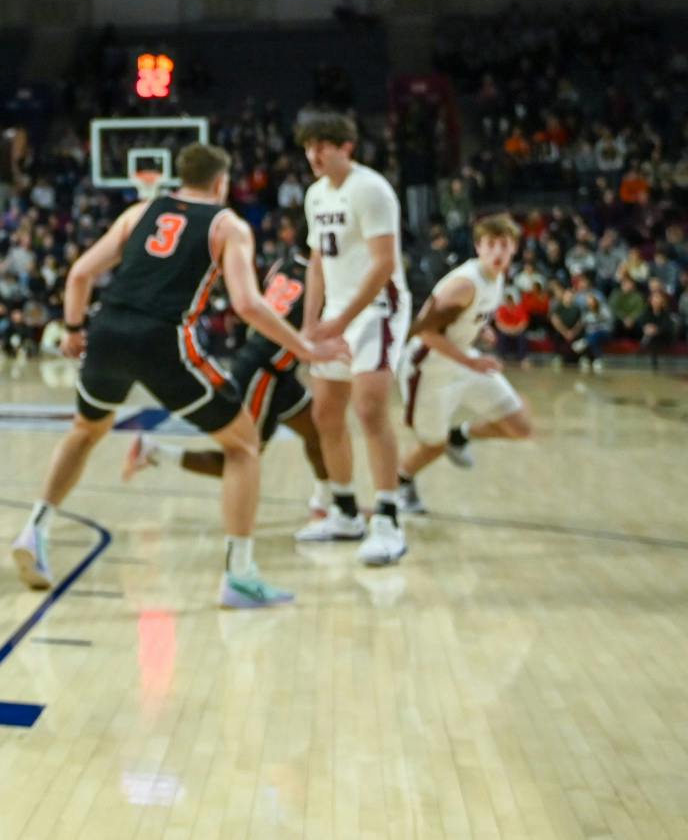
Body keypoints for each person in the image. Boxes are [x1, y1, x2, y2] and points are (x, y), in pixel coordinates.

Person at [10, 146, 347, 609]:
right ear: (221, 183)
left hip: (108, 329)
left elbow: (81, 272)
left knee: (85, 430)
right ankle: (240, 576)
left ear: (179, 178)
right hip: (163, 338)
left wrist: (71, 330)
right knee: (243, 445)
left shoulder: (141, 210)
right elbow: (248, 305)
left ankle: (35, 529)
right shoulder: (228, 226)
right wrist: (306, 347)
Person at [121, 212, 334, 496]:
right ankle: (154, 451)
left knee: (316, 432)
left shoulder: (284, 265)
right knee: (244, 457)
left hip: (275, 369)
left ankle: (330, 502)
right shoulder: (322, 279)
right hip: (263, 372)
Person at [292, 111, 412, 567]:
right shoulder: (314, 195)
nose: (314, 154)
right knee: (325, 413)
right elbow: (317, 262)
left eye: (323, 144)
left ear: (347, 147)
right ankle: (344, 511)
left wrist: (341, 320)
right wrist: (310, 323)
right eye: (308, 146)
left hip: (378, 308)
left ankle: (387, 516)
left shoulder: (372, 189)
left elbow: (383, 264)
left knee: (370, 408)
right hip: (336, 313)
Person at [394, 214, 533, 514]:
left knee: (519, 425)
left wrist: (481, 329)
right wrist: (471, 362)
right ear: (478, 247)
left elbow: (466, 317)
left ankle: (461, 435)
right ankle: (401, 482)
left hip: (462, 359)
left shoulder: (497, 278)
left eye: (504, 245)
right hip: (427, 367)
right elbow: (424, 332)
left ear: (514, 249)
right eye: (490, 245)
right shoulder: (462, 284)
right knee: (433, 445)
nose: (497, 252)